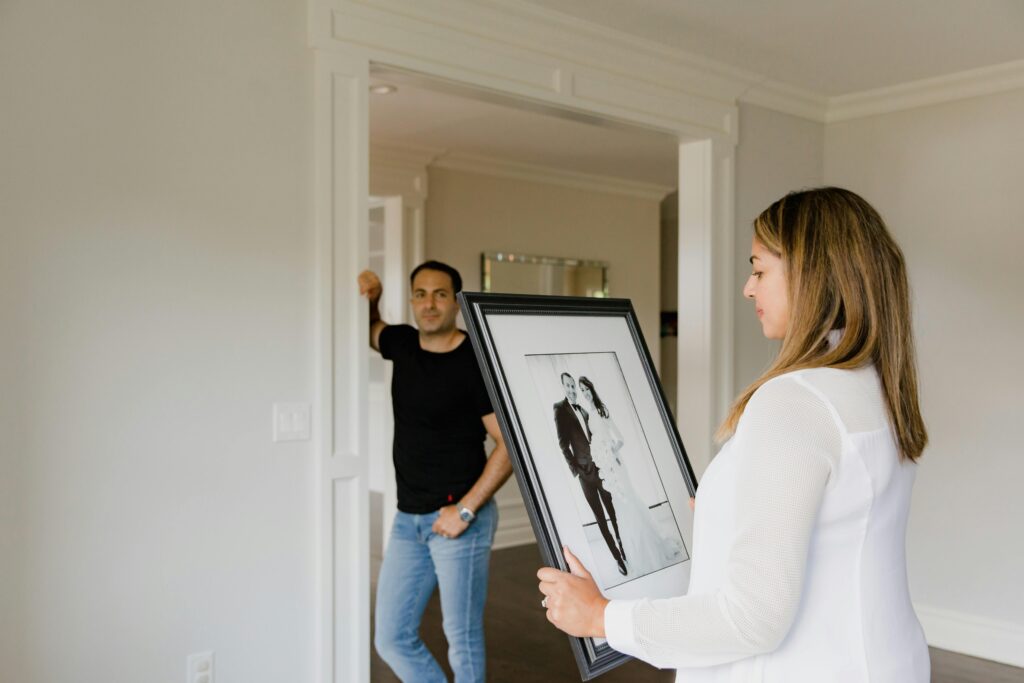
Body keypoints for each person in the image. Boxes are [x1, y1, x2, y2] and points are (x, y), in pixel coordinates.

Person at [538, 187, 931, 682]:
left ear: (814, 276)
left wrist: (600, 616)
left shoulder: (796, 398)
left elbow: (752, 620)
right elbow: (838, 520)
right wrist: (728, 517)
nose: (748, 288)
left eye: (760, 269)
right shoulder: (878, 385)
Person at [359, 260, 512, 683]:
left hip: (461, 521)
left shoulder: (474, 361)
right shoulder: (402, 343)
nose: (429, 304)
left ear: (455, 303)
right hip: (408, 519)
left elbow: (508, 445)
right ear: (411, 301)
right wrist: (373, 301)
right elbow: (370, 330)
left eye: (440, 294)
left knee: (461, 639)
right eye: (420, 294)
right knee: (391, 638)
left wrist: (464, 511)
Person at [578, 376, 683, 577]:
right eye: (582, 391)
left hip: (616, 465)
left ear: (592, 389)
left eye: (587, 389)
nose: (585, 393)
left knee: (629, 502)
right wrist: (601, 458)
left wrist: (611, 453)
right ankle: (633, 552)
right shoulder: (588, 416)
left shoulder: (601, 411)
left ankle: (648, 549)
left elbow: (620, 438)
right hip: (606, 470)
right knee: (619, 508)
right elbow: (595, 443)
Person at [553, 372, 627, 576]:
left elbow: (598, 440)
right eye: (567, 386)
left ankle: (623, 548)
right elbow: (563, 444)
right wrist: (575, 471)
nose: (571, 389)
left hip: (600, 469)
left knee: (612, 512)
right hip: (584, 476)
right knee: (600, 518)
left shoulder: (585, 412)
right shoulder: (559, 409)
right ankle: (617, 558)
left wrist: (611, 458)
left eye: (573, 386)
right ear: (563, 387)